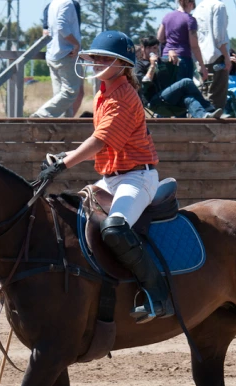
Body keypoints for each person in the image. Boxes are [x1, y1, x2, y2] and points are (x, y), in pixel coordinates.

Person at [38, 30, 175, 321]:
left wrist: (64, 165)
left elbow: (101, 141)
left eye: (104, 58)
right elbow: (97, 140)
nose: (96, 62)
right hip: (111, 178)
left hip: (137, 179)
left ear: (122, 64)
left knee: (114, 227)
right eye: (95, 57)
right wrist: (66, 156)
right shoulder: (104, 92)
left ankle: (158, 295)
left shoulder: (123, 96)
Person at [136, 35, 223, 118]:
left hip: (169, 98)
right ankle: (209, 108)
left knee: (189, 98)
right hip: (154, 101)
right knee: (186, 82)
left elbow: (175, 64)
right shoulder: (140, 65)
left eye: (155, 48)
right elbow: (145, 82)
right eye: (150, 48)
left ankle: (204, 116)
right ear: (143, 48)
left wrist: (172, 53)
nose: (153, 51)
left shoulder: (161, 62)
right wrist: (152, 66)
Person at [31, 0, 82, 118]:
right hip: (66, 53)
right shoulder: (67, 3)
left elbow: (47, 31)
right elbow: (61, 26)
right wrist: (76, 44)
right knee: (70, 91)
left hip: (52, 54)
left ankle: (63, 127)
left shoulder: (53, 4)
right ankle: (41, 114)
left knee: (59, 95)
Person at [157, 0, 208, 83]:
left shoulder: (167, 17)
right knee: (184, 90)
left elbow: (159, 37)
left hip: (166, 57)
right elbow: (194, 45)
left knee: (169, 88)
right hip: (182, 58)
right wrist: (202, 65)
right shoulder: (190, 19)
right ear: (190, 4)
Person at [192, 0, 231, 109]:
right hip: (216, 56)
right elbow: (219, 35)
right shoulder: (219, 6)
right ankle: (215, 123)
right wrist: (226, 57)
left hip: (201, 57)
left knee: (204, 93)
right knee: (217, 96)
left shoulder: (198, 8)